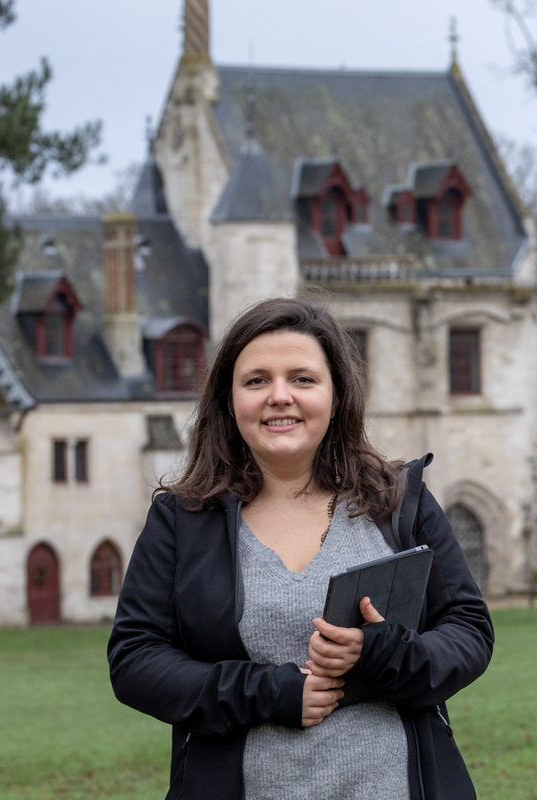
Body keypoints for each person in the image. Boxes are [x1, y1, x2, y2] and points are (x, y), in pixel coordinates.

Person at [108, 296, 494, 800]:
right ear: (228, 401)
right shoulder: (182, 521)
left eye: (303, 379)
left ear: (336, 395)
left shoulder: (398, 503)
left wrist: (379, 652)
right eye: (256, 380)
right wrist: (270, 693)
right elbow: (135, 660)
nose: (279, 396)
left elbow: (469, 631)